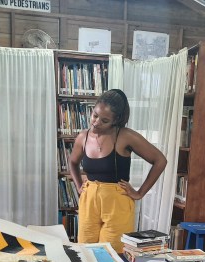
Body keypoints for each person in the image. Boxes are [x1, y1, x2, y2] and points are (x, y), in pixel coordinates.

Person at [68, 89, 167, 253]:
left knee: (112, 254)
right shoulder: (82, 137)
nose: (96, 122)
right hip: (89, 200)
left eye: (104, 120)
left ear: (116, 120)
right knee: (85, 252)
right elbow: (72, 162)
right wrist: (79, 186)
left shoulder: (125, 136)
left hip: (117, 203)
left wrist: (140, 193)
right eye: (95, 115)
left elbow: (160, 160)